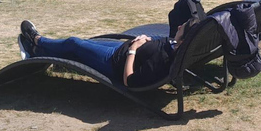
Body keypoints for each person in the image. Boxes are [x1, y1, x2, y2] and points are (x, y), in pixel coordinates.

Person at [18, 19, 193, 88]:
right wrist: (145, 39)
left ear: (184, 40)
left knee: (75, 43)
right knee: (83, 45)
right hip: (119, 50)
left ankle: (37, 40)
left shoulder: (163, 59)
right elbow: (161, 42)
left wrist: (133, 50)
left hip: (113, 62)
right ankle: (37, 51)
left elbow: (129, 81)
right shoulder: (177, 45)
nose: (178, 26)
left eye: (182, 27)